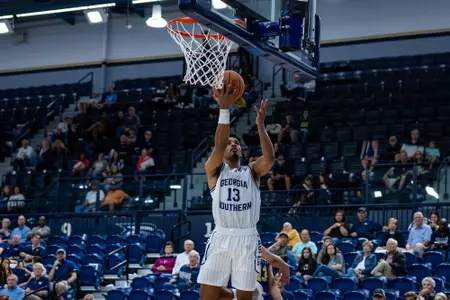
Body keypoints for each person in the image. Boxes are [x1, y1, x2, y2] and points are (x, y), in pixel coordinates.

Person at [197, 90, 275, 300]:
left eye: (237, 143)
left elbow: (269, 158)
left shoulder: (252, 171)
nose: (233, 144)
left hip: (247, 237)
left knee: (245, 298)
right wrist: (224, 108)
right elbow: (219, 143)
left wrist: (260, 125)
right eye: (230, 142)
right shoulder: (214, 170)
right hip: (221, 236)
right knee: (207, 297)